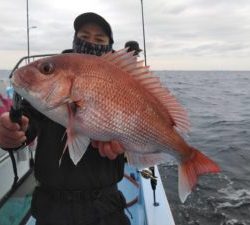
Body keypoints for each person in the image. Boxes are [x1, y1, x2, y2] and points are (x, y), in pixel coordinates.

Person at [0, 12, 130, 225]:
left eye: (99, 40)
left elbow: (137, 129)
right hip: (52, 209)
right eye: (84, 36)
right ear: (74, 39)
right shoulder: (52, 79)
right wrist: (12, 131)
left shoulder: (121, 81)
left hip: (106, 207)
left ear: (109, 46)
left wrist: (125, 146)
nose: (90, 42)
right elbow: (26, 122)